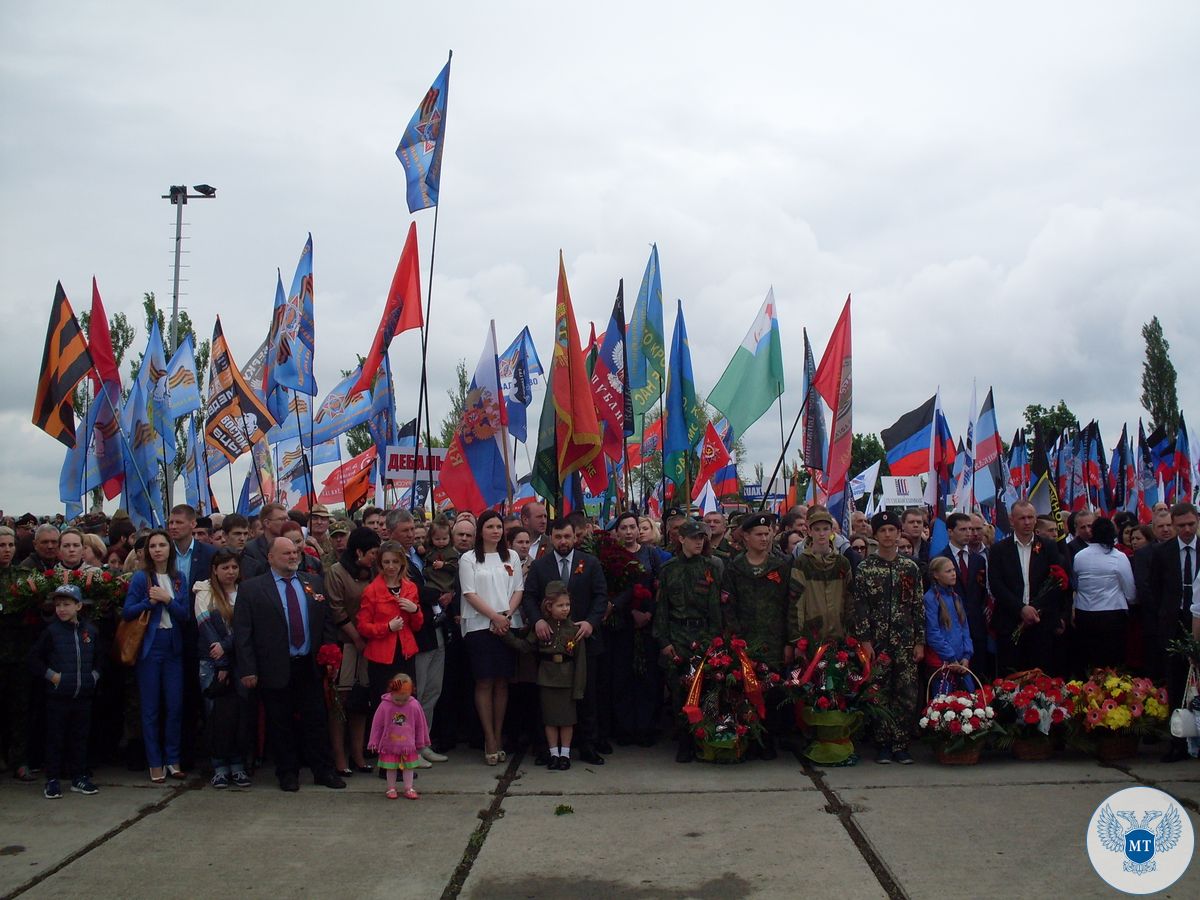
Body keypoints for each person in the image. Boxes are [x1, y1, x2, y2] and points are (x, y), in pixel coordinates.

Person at [233, 537, 345, 792]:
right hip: (274, 667)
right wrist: (248, 669)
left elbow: (326, 621)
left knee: (316, 721)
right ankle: (287, 773)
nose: (293, 556)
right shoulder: (252, 589)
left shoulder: (313, 583)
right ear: (270, 558)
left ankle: (323, 771)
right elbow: (243, 633)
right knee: (280, 723)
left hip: (309, 665)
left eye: (295, 552)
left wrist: (329, 653)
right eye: (286, 553)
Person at [521, 517, 607, 765]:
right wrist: (538, 620)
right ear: (552, 537)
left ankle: (588, 745)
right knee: (547, 698)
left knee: (587, 694)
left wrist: (591, 622)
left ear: (575, 537)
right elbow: (529, 597)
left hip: (583, 638)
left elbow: (601, 596)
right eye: (558, 537)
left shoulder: (589, 563)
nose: (563, 542)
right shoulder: (541, 566)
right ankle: (546, 748)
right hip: (549, 643)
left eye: (567, 537)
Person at [856, 510, 924, 765]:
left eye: (892, 530)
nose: (888, 535)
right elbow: (860, 607)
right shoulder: (865, 568)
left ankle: (900, 743)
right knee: (879, 692)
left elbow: (917, 606)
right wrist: (865, 641)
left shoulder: (910, 568)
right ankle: (883, 743)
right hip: (877, 642)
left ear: (899, 533)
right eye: (883, 530)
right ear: (875, 534)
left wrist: (919, 641)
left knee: (906, 694)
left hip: (905, 641)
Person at [653, 520, 724, 763]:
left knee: (706, 689)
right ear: (681, 539)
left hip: (703, 633)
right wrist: (663, 640)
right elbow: (661, 608)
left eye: (702, 538)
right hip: (677, 634)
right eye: (694, 538)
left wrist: (716, 640)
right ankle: (684, 741)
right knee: (679, 690)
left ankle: (704, 738)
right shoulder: (668, 569)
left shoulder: (712, 566)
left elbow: (716, 606)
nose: (699, 542)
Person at [122, 529, 189, 783]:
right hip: (150, 647)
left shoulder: (178, 577)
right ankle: (155, 761)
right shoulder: (142, 578)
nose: (158, 549)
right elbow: (128, 612)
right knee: (150, 708)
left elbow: (184, 614)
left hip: (173, 647)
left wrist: (167, 599)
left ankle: (173, 759)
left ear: (170, 549)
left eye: (162, 545)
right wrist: (150, 603)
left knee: (174, 706)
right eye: (153, 546)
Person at [722, 512, 791, 759]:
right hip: (745, 641)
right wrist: (734, 638)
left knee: (772, 691)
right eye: (759, 534)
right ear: (746, 537)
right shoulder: (735, 568)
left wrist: (788, 641)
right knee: (745, 691)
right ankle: (749, 739)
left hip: (773, 640)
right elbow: (728, 604)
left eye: (767, 533)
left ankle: (768, 740)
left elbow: (789, 605)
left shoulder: (781, 566)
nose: (764, 538)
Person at [458, 511, 523, 765]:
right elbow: (469, 593)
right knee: (484, 682)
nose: (495, 531)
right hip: (479, 627)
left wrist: (505, 616)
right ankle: (489, 739)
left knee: (502, 683)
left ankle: (498, 734)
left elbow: (518, 589)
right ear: (480, 530)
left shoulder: (512, 556)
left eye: (498, 526)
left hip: (508, 624)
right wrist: (494, 617)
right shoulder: (469, 558)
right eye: (490, 526)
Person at [503, 582, 587, 769]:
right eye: (560, 605)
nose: (565, 609)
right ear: (549, 607)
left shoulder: (573, 629)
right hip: (547, 678)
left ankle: (565, 754)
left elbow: (580, 661)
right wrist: (505, 634)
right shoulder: (541, 628)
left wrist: (579, 687)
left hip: (567, 679)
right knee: (549, 719)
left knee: (567, 719)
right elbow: (524, 646)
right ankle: (553, 753)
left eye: (567, 605)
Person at [28, 585, 101, 799]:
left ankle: (79, 776)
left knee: (80, 737)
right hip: (58, 697)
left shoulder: (90, 630)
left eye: (67, 604)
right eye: (58, 605)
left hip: (83, 696)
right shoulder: (51, 631)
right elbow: (34, 659)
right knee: (55, 738)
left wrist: (93, 677)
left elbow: (100, 658)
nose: (61, 609)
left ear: (78, 606)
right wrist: (53, 677)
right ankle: (52, 779)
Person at [603, 512, 663, 748]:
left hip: (647, 622)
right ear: (617, 532)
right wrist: (629, 611)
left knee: (647, 677)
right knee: (622, 676)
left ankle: (646, 727)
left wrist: (649, 613)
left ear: (639, 530)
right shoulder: (611, 556)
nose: (628, 532)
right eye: (623, 528)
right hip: (622, 623)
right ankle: (625, 728)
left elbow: (660, 585)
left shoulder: (651, 554)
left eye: (632, 527)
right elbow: (610, 590)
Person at [194, 549, 252, 788]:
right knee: (216, 716)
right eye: (225, 568)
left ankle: (238, 765)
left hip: (239, 661)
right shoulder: (204, 593)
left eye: (234, 568)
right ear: (215, 570)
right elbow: (205, 628)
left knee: (238, 716)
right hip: (211, 664)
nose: (230, 572)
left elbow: (246, 629)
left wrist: (227, 648)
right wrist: (221, 663)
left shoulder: (245, 592)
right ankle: (219, 766)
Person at [990, 500, 1068, 676]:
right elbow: (996, 585)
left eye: (1030, 517)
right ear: (1012, 520)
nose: (1026, 522)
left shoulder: (1048, 547)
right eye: (1022, 518)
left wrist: (1035, 609)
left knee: (1042, 676)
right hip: (1010, 623)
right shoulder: (999, 549)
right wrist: (1021, 609)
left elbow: (1056, 580)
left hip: (1041, 623)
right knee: (1011, 676)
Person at [325, 526, 380, 775]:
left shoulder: (374, 572)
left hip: (370, 644)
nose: (375, 557)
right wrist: (356, 637)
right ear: (358, 551)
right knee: (342, 700)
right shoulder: (337, 573)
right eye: (372, 553)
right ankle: (340, 757)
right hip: (346, 643)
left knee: (361, 701)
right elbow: (337, 609)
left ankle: (358, 754)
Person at [1148, 502, 1198, 763]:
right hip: (1174, 621)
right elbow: (1154, 589)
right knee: (1177, 682)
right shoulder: (1163, 552)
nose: (1187, 529)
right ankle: (1177, 741)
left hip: (1198, 619)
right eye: (1182, 526)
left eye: (1191, 524)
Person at [356, 542, 424, 715]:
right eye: (386, 562)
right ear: (380, 564)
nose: (391, 566)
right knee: (384, 704)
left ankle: (404, 740)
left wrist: (415, 610)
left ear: (402, 562)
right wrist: (387, 627)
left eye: (395, 561)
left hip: (405, 654)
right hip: (381, 657)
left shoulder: (410, 588)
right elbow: (363, 626)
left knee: (406, 702)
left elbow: (417, 625)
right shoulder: (371, 591)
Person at [787, 507, 859, 647]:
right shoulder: (802, 562)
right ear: (809, 531)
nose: (821, 534)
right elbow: (796, 603)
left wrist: (851, 632)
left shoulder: (842, 562)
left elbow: (850, 599)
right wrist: (797, 639)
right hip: (811, 637)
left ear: (832, 532)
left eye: (825, 529)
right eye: (817, 529)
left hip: (840, 635)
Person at [1071, 517, 1135, 674]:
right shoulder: (1119, 557)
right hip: (1112, 615)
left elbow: (1076, 583)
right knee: (1111, 663)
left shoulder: (1080, 556)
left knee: (1089, 661)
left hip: (1085, 614)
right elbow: (1130, 591)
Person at [934, 513, 990, 677]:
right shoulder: (940, 560)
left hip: (976, 626)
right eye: (963, 529)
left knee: (978, 674)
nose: (969, 533)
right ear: (950, 532)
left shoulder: (978, 560)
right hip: (951, 627)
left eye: (971, 529)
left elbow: (981, 592)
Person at [368, 672, 429, 800]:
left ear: (411, 693)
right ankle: (391, 787)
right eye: (397, 699)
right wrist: (374, 740)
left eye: (405, 699)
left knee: (409, 767)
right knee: (391, 768)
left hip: (408, 745)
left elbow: (420, 724)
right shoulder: (385, 705)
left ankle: (409, 787)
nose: (401, 703)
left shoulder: (414, 705)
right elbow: (377, 724)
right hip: (390, 744)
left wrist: (420, 741)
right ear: (391, 692)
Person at [923, 557, 973, 684]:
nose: (953, 573)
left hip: (961, 661)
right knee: (944, 701)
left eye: (954, 570)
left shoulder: (956, 597)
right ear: (936, 575)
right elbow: (932, 633)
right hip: (942, 662)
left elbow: (965, 629)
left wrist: (967, 655)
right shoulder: (930, 599)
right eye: (948, 571)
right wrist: (950, 657)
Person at [240, 504, 290, 579]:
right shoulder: (251, 550)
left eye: (287, 519)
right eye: (282, 519)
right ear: (267, 523)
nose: (286, 523)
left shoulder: (291, 545)